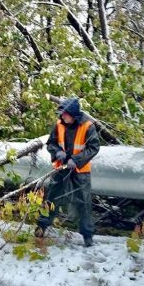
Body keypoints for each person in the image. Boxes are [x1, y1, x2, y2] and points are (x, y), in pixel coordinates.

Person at [35, 97, 100, 247]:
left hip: (80, 170)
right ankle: (41, 227)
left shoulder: (87, 126)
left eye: (65, 114)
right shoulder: (59, 125)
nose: (62, 116)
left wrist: (76, 160)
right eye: (62, 114)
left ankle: (87, 237)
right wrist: (58, 152)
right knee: (51, 197)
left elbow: (93, 148)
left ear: (73, 114)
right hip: (61, 167)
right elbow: (51, 143)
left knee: (83, 202)